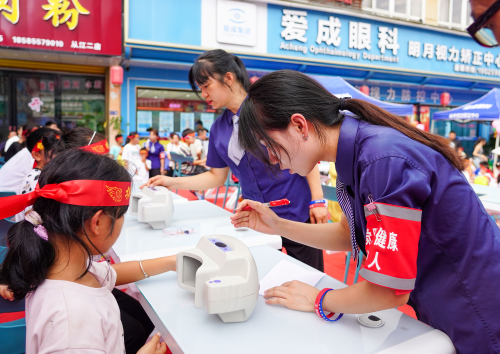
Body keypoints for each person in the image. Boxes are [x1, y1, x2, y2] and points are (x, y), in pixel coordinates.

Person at [229, 70, 500, 353]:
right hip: (450, 302)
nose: (272, 161)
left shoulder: (382, 160)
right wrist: (277, 225)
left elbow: (388, 289)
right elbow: (348, 234)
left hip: (477, 309)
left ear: (299, 126)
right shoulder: (357, 151)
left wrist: (319, 299)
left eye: (269, 148)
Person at [144, 49, 327, 271]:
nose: (203, 94)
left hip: (298, 214)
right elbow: (216, 176)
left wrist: (317, 200)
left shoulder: (270, 108)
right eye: (200, 89)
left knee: (310, 278)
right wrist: (172, 182)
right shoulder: (219, 129)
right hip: (257, 220)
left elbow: (304, 150)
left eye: (206, 86)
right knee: (265, 282)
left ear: (228, 78)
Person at [0, 149, 173, 354]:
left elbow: (116, 273)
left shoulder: (60, 265)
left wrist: (174, 261)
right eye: (120, 215)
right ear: (97, 222)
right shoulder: (73, 321)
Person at [15, 127, 59, 221]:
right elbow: (31, 217)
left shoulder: (43, 174)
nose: (60, 153)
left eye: (61, 148)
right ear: (36, 155)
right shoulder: (37, 179)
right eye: (53, 149)